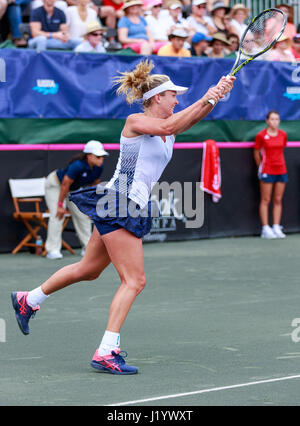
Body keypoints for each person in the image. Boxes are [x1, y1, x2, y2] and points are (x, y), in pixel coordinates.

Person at [11, 59, 235, 374]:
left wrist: (216, 97)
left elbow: (184, 121)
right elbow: (173, 123)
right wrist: (210, 95)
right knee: (134, 280)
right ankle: (106, 351)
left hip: (122, 205)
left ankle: (28, 299)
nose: (177, 100)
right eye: (173, 95)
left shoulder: (168, 131)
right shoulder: (136, 120)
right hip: (120, 202)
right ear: (157, 97)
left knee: (88, 270)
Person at [44, 140, 109, 260]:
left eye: (102, 157)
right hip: (56, 185)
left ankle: (89, 249)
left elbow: (94, 186)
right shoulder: (77, 165)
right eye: (98, 156)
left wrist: (92, 204)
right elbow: (65, 184)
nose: (101, 159)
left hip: (72, 188)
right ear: (89, 156)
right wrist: (60, 205)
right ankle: (52, 250)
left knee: (83, 215)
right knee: (58, 214)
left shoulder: (99, 167)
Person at [253, 111, 288, 239]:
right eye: (272, 119)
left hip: (281, 170)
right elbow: (256, 153)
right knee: (266, 199)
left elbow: (282, 149)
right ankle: (265, 228)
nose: (274, 122)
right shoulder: (261, 136)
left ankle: (276, 227)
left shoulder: (283, 135)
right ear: (267, 121)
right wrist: (261, 167)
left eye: (277, 119)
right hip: (267, 170)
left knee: (278, 200)